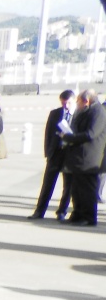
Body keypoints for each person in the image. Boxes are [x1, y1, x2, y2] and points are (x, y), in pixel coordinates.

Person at [61, 89, 106, 226]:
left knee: (87, 189)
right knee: (76, 188)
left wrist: (70, 137)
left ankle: (89, 217)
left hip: (89, 157)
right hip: (79, 156)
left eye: (78, 101)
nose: (77, 103)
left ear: (86, 101)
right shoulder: (86, 110)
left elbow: (91, 133)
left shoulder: (98, 111)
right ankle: (77, 213)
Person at [30, 90, 76, 220]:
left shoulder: (78, 115)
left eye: (68, 103)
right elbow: (48, 133)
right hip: (56, 153)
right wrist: (48, 152)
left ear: (74, 101)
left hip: (70, 154)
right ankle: (39, 211)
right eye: (63, 103)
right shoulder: (55, 113)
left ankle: (62, 211)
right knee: (47, 184)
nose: (66, 106)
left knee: (68, 186)